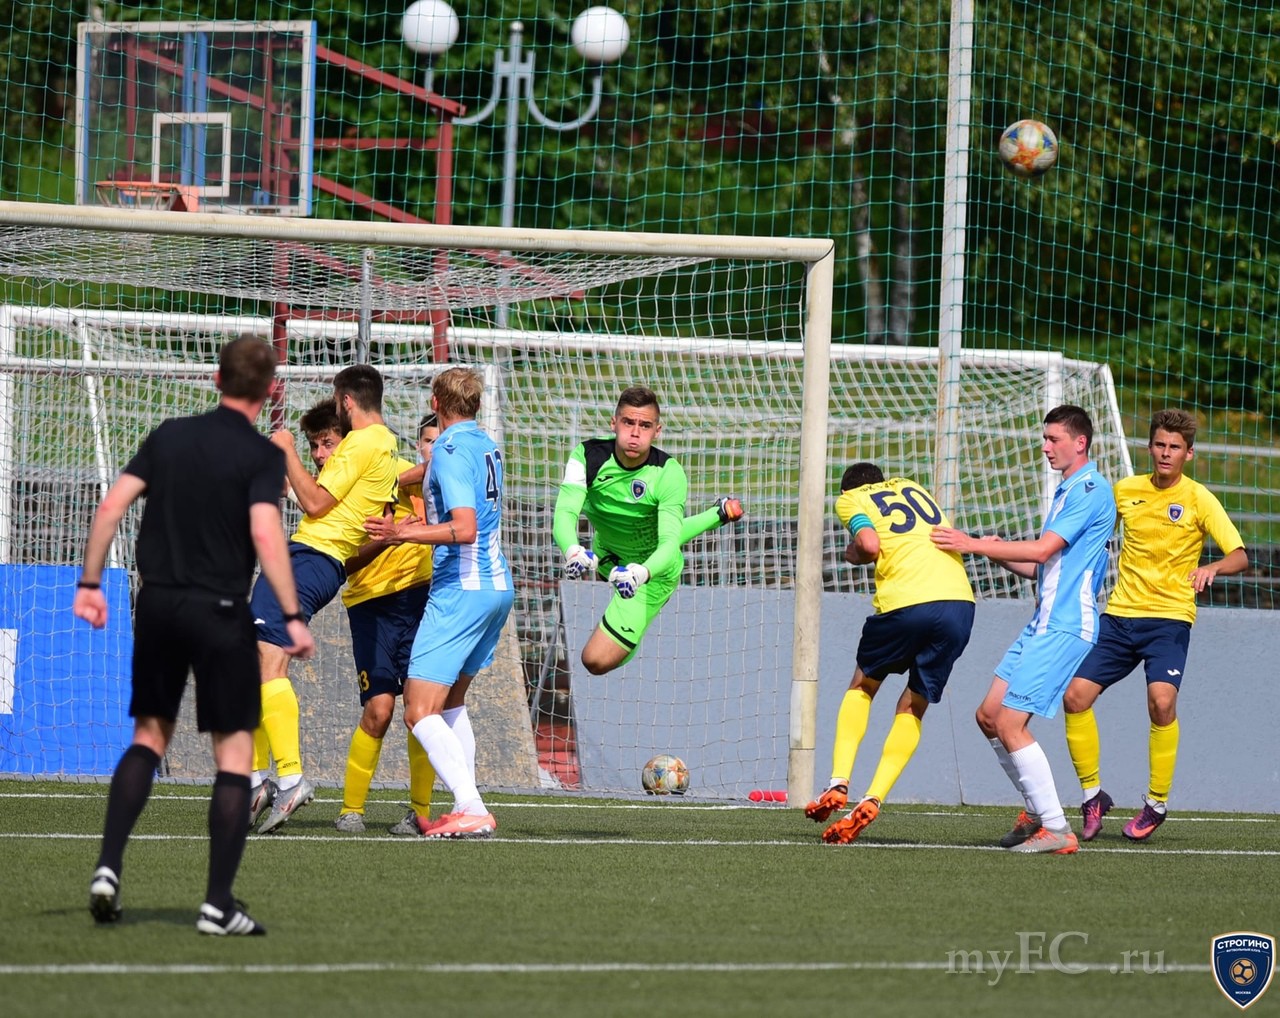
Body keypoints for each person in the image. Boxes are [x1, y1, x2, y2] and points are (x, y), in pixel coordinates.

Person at [74, 336, 315, 936]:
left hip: (158, 604)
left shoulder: (170, 435)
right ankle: (216, 905)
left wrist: (91, 583)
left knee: (148, 738)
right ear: (270, 391)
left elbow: (111, 507)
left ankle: (107, 868)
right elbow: (266, 534)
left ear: (216, 379)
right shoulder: (261, 455)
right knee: (233, 756)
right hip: (222, 613)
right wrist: (291, 615)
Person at [931, 404, 1114, 855]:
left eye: (1053, 439)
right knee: (989, 716)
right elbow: (1043, 567)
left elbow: (1042, 551)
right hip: (1041, 624)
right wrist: (993, 552)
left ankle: (1057, 828)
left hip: (1065, 626)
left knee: (1011, 722)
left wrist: (972, 543)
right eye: (1045, 438)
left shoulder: (1090, 489)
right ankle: (1036, 810)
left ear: (1080, 443)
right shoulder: (1067, 490)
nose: (1045, 447)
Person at [1062, 409, 1247, 842]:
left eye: (1175, 447)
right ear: (1149, 448)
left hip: (1169, 619)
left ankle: (1156, 803)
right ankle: (1092, 796)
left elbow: (1239, 555)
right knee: (1074, 698)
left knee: (1162, 703)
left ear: (1189, 454)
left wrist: (1212, 568)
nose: (1166, 453)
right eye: (1160, 445)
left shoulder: (1199, 498)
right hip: (1120, 616)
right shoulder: (1125, 491)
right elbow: (1095, 531)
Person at [247, 364, 399, 834]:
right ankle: (255, 780)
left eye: (337, 403)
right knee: (255, 658)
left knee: (268, 660)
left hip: (313, 557)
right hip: (317, 559)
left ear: (346, 401)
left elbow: (316, 503)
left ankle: (289, 779)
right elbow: (334, 506)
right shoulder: (386, 447)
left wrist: (287, 448)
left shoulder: (364, 442)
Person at [364, 367, 512, 839]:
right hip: (495, 588)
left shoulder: (447, 449)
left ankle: (471, 805)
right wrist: (386, 483)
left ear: (435, 403)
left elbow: (464, 528)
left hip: (461, 590)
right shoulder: (485, 444)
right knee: (450, 702)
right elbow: (428, 474)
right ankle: (468, 806)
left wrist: (401, 533)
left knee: (418, 710)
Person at [807, 463, 976, 844]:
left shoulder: (852, 499)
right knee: (913, 706)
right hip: (959, 605)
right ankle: (874, 797)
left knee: (863, 686)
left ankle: (838, 782)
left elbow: (870, 545)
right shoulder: (914, 487)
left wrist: (853, 554)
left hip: (908, 601)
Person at [292, 402, 439, 835]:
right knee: (379, 709)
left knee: (420, 710)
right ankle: (351, 809)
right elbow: (341, 560)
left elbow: (435, 476)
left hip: (417, 597)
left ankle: (419, 811)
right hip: (369, 605)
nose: (320, 455)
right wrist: (387, 539)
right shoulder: (328, 495)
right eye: (314, 446)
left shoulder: (393, 469)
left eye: (328, 444)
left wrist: (402, 483)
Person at [552, 386, 745, 675]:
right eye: (628, 422)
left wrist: (640, 574)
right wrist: (572, 550)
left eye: (644, 426)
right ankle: (718, 512)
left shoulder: (668, 473)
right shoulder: (586, 456)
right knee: (640, 535)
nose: (635, 433)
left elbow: (668, 542)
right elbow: (565, 512)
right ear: (614, 423)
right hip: (606, 555)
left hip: (652, 572)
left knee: (595, 661)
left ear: (657, 431)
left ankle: (632, 633)